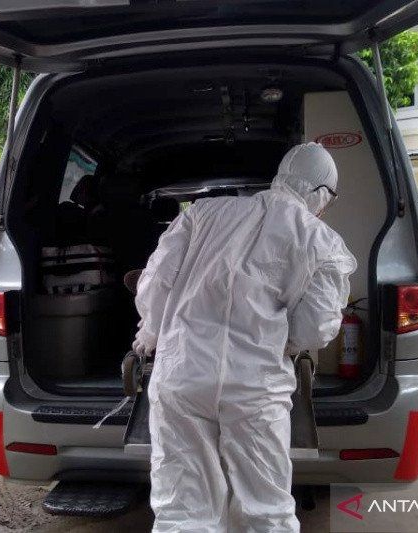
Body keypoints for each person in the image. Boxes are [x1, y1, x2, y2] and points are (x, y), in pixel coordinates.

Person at [134, 142, 357, 531]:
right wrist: (282, 344)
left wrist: (151, 332)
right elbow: (316, 327)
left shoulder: (202, 214)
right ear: (321, 194)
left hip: (182, 376)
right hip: (256, 389)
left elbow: (155, 284)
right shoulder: (322, 243)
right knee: (265, 509)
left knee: (183, 510)